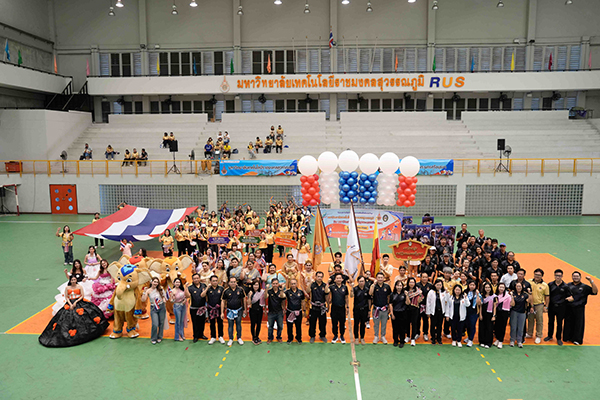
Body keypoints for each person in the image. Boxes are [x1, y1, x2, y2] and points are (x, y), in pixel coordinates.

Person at [39, 275, 109, 348]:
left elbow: (82, 295)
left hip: (79, 301)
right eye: (72, 280)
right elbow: (66, 297)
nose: (73, 281)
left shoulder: (79, 286)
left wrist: (75, 302)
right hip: (70, 303)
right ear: (70, 280)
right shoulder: (67, 288)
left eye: (74, 280)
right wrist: (70, 303)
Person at [563, 272, 598, 345]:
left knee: (578, 324)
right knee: (568, 323)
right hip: (569, 307)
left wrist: (591, 281)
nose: (575, 277)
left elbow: (595, 292)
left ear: (580, 277)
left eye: (577, 276)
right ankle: (567, 337)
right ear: (572, 277)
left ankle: (577, 339)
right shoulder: (568, 285)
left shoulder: (584, 287)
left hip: (579, 308)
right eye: (574, 276)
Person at [544, 269, 572, 346]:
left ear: (562, 276)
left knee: (559, 323)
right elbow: (547, 295)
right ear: (554, 276)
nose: (558, 277)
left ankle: (558, 338)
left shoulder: (565, 286)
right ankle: (549, 336)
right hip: (552, 306)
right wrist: (546, 306)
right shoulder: (550, 285)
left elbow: (570, 296)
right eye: (556, 275)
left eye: (559, 276)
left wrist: (571, 298)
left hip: (561, 307)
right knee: (550, 322)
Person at [221, 276, 247, 346]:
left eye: (234, 282)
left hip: (239, 310)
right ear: (229, 283)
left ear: (236, 282)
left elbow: (244, 299)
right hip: (230, 311)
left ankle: (239, 338)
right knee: (230, 325)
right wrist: (222, 312)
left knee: (238, 325)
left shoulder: (240, 289)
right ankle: (230, 339)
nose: (233, 283)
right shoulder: (226, 291)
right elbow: (223, 301)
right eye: (231, 282)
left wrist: (245, 309)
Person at [526, 268, 550, 344]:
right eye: (536, 274)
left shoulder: (545, 285)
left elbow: (547, 296)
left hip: (539, 304)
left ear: (542, 276)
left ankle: (538, 335)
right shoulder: (529, 282)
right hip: (530, 304)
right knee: (530, 319)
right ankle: (529, 333)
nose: (537, 276)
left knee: (539, 320)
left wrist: (546, 306)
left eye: (539, 275)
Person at [142, 277, 167, 344]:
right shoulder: (148, 290)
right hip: (154, 308)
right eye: (154, 281)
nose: (155, 283)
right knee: (155, 324)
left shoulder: (160, 289)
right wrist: (144, 292)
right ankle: (153, 338)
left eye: (157, 282)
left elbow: (164, 297)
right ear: (151, 282)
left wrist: (164, 299)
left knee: (161, 323)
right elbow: (143, 300)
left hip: (161, 307)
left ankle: (160, 337)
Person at [370, 272, 392, 344]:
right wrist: (373, 284)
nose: (380, 279)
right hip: (376, 309)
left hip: (384, 309)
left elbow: (389, 297)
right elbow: (370, 293)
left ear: (384, 278)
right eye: (378, 277)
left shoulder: (387, 286)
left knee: (384, 324)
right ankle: (376, 336)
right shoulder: (374, 286)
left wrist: (389, 307)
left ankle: (383, 336)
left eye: (381, 277)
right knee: (376, 324)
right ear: (376, 278)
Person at [202, 275, 225, 345]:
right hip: (211, 309)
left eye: (216, 281)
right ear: (210, 281)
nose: (215, 282)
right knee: (212, 323)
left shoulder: (221, 288)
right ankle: (213, 337)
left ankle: (220, 336)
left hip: (219, 308)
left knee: (220, 322)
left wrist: (222, 311)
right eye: (213, 281)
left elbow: (223, 300)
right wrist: (207, 288)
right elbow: (202, 295)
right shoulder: (208, 289)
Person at [186, 273, 208, 343]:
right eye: (194, 278)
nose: (196, 280)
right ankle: (195, 336)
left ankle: (201, 334)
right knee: (195, 323)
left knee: (202, 322)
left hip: (202, 308)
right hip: (194, 308)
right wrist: (185, 287)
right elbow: (187, 296)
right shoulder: (190, 287)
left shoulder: (204, 286)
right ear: (192, 279)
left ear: (199, 278)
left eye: (197, 278)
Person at [329, 273, 349, 344]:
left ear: (342, 279)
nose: (338, 279)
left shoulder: (345, 287)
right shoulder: (331, 287)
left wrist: (347, 307)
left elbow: (346, 297)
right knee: (334, 323)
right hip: (334, 308)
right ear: (334, 280)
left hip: (342, 308)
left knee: (342, 323)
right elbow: (328, 294)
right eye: (337, 278)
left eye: (340, 278)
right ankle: (335, 336)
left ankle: (342, 336)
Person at [509, 281, 530, 348]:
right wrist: (512, 296)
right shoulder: (513, 294)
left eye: (520, 286)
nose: (518, 288)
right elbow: (512, 304)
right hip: (514, 312)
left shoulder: (525, 294)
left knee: (521, 328)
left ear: (522, 287)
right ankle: (512, 340)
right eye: (517, 286)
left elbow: (529, 302)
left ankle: (519, 341)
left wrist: (530, 293)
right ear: (515, 287)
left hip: (522, 313)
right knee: (513, 327)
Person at [284, 279, 305, 344]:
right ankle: (290, 338)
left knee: (298, 326)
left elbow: (303, 301)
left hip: (298, 312)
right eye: (292, 284)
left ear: (297, 284)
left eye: (294, 283)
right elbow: (283, 299)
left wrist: (304, 310)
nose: (293, 285)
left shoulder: (300, 292)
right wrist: (284, 308)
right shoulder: (287, 292)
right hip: (290, 311)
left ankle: (299, 338)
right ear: (290, 284)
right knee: (289, 326)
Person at [351, 276, 370, 345]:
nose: (361, 283)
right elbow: (351, 295)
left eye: (363, 281)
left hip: (364, 309)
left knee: (363, 324)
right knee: (356, 324)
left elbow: (369, 300)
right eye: (360, 281)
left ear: (364, 282)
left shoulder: (367, 289)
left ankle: (362, 338)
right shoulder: (355, 289)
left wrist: (369, 310)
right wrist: (351, 288)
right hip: (357, 310)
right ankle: (356, 338)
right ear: (358, 282)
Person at [426, 279, 446, 345]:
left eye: (440, 285)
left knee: (439, 325)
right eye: (437, 285)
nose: (439, 286)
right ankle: (433, 338)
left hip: (441, 312)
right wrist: (428, 312)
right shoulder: (431, 292)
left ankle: (439, 338)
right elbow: (428, 302)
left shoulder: (443, 292)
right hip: (433, 311)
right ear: (435, 285)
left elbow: (446, 301)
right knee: (433, 325)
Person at [266, 278, 286, 344]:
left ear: (278, 284)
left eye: (276, 283)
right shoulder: (269, 291)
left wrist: (282, 289)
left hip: (279, 312)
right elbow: (265, 297)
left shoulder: (280, 291)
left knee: (280, 326)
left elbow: (283, 298)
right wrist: (266, 289)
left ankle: (279, 337)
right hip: (271, 312)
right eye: (274, 284)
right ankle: (270, 338)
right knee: (270, 327)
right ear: (271, 284)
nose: (275, 285)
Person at [405, 277, 423, 346]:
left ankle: (413, 338)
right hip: (407, 309)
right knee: (407, 323)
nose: (411, 284)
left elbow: (419, 301)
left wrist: (420, 295)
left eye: (413, 282)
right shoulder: (405, 290)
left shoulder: (418, 291)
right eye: (410, 282)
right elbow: (407, 302)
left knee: (414, 323)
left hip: (415, 309)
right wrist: (407, 295)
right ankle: (408, 336)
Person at [492, 283, 511, 349]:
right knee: (497, 326)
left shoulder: (508, 296)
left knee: (502, 327)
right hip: (497, 312)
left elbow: (510, 304)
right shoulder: (495, 295)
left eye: (503, 287)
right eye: (500, 287)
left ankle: (500, 341)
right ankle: (497, 339)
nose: (501, 289)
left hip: (504, 312)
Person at [247, 279, 266, 345]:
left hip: (260, 310)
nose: (256, 286)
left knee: (259, 324)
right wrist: (249, 296)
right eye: (254, 285)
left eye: (257, 285)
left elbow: (264, 300)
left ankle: (257, 337)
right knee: (253, 324)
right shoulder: (250, 292)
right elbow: (248, 303)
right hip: (252, 310)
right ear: (252, 285)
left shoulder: (261, 292)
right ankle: (253, 337)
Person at [478, 282, 496, 348]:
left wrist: (494, 315)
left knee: (489, 328)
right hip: (483, 313)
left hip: (490, 314)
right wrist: (480, 314)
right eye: (486, 287)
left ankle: (488, 342)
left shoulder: (494, 296)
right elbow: (480, 306)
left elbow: (494, 306)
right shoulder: (482, 296)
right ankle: (482, 341)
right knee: (482, 327)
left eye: (488, 287)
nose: (487, 289)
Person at [464, 280, 481, 347]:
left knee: (472, 325)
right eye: (470, 285)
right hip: (466, 311)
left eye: (473, 285)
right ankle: (468, 337)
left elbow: (479, 303)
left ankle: (471, 339)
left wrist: (478, 295)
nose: (472, 286)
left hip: (474, 311)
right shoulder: (465, 292)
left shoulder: (477, 293)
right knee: (467, 325)